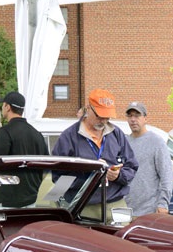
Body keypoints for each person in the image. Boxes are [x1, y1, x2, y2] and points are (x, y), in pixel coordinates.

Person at [52, 88, 137, 220]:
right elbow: (58, 178)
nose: (103, 120)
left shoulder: (117, 134)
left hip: (116, 204)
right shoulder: (69, 137)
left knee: (121, 239)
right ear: (88, 108)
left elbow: (131, 166)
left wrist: (118, 175)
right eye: (99, 116)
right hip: (84, 207)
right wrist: (89, 177)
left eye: (107, 117)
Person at [0, 91, 48, 207]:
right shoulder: (37, 134)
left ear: (7, 107)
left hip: (8, 201)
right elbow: (46, 166)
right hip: (31, 199)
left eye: (3, 105)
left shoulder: (4, 132)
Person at [123, 101, 173, 216]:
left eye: (137, 115)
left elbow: (167, 175)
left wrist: (163, 204)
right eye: (130, 116)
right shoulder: (124, 142)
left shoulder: (156, 142)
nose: (133, 119)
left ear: (145, 118)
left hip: (149, 211)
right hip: (125, 210)